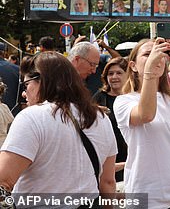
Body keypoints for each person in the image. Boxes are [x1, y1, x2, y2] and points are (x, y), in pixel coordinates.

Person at [0, 52, 117, 201]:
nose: (24, 93)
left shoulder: (31, 117)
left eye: (26, 84)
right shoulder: (100, 118)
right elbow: (107, 182)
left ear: (42, 81)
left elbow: (4, 180)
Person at [114, 38, 170, 208]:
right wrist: (149, 73)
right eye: (147, 54)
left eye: (160, 53)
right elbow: (146, 114)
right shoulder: (123, 101)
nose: (155, 57)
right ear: (133, 66)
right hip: (147, 195)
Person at [93, 57, 129, 183]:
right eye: (110, 73)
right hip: (109, 160)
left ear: (128, 75)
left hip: (132, 157)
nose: (114, 77)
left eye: (119, 73)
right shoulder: (99, 98)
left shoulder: (134, 97)